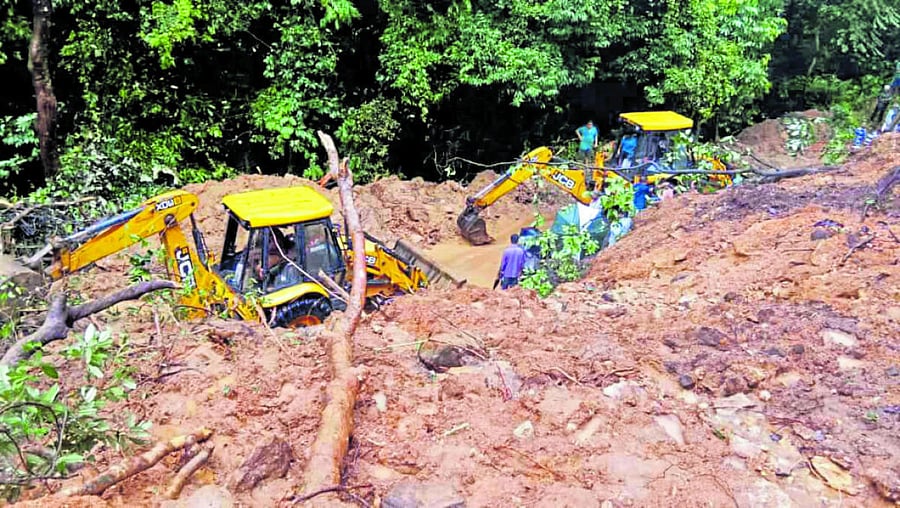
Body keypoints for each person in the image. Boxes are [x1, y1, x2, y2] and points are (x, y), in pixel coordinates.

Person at [576, 120, 599, 189]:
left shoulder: (594, 129)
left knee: (590, 159)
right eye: (589, 124)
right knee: (581, 159)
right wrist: (580, 137)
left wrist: (596, 143)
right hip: (583, 146)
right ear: (587, 125)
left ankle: (588, 170)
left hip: (590, 146)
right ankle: (580, 170)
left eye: (591, 124)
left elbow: (596, 136)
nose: (590, 126)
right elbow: (577, 130)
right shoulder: (583, 128)